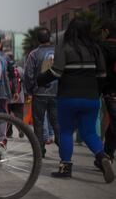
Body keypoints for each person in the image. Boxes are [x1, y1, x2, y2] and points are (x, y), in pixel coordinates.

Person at [37, 17, 114, 183]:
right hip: (91, 98)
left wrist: (40, 80)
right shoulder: (96, 49)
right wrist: (96, 92)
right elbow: (102, 75)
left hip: (68, 97)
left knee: (65, 132)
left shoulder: (64, 47)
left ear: (70, 30)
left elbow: (56, 72)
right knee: (89, 132)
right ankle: (103, 157)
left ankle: (65, 168)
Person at [24, 27, 60, 158]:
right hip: (56, 93)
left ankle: (39, 151)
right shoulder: (58, 51)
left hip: (39, 93)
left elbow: (28, 74)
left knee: (38, 123)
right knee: (56, 122)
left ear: (38, 39)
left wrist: (29, 90)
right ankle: (63, 147)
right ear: (49, 37)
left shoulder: (34, 54)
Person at [98, 19, 116, 167]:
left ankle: (106, 155)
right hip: (110, 92)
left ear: (106, 31)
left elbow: (100, 71)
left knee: (112, 121)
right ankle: (107, 154)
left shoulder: (102, 47)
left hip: (109, 91)